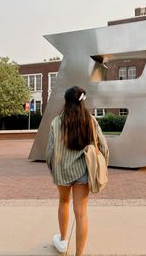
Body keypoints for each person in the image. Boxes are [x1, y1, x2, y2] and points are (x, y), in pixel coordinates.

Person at [45, 86, 109, 255]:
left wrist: (53, 170)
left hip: (62, 171)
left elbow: (49, 152)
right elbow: (103, 146)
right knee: (81, 214)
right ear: (82, 101)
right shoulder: (90, 120)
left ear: (66, 102)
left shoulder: (56, 122)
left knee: (63, 202)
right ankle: (79, 254)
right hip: (83, 171)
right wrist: (102, 166)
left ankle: (63, 241)